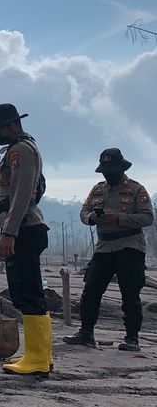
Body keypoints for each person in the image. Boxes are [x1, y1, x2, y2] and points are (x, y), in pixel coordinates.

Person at [0, 103, 51, 376]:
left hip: (24, 229)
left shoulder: (20, 150)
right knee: (29, 292)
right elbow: (25, 191)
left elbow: (23, 196)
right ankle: (41, 354)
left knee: (27, 293)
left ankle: (37, 359)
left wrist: (9, 232)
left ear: (10, 125)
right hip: (25, 226)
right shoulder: (25, 147)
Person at [63, 149, 154, 352]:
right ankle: (86, 333)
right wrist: (92, 218)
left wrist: (120, 219)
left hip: (129, 245)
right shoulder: (97, 190)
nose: (108, 175)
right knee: (91, 289)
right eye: (105, 171)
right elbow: (84, 212)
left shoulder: (137, 190)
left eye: (111, 171)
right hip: (104, 246)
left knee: (130, 293)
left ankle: (132, 339)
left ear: (121, 169)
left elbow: (147, 217)